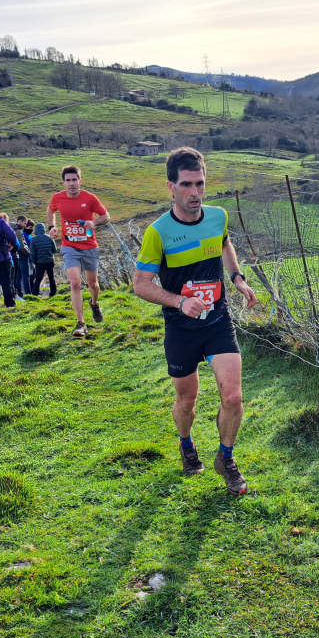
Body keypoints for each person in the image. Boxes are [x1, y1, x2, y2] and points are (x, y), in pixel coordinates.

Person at [132, 147, 258, 496]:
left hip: (217, 320)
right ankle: (186, 444)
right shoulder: (158, 232)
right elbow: (140, 285)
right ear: (170, 187)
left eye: (200, 184)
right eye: (186, 185)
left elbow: (225, 245)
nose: (195, 193)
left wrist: (238, 279)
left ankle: (226, 458)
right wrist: (179, 301)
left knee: (232, 397)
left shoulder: (218, 216)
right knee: (187, 401)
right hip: (181, 328)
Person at [49, 165, 110, 337]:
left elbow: (106, 216)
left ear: (80, 181)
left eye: (74, 180)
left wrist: (94, 223)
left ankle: (94, 303)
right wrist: (52, 227)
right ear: (63, 182)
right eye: (68, 180)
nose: (71, 183)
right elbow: (51, 210)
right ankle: (81, 323)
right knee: (75, 283)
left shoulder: (89, 198)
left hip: (90, 246)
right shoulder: (58, 198)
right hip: (69, 246)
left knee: (92, 284)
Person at [30, 222, 57, 297]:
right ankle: (53, 293)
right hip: (50, 261)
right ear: (44, 229)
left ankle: (35, 293)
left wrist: (34, 261)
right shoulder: (49, 238)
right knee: (51, 278)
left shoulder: (33, 240)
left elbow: (33, 253)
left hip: (40, 262)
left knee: (38, 278)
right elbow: (54, 250)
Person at [12, 216, 32, 297]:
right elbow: (21, 245)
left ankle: (19, 294)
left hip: (15, 255)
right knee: (25, 276)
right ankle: (28, 294)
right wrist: (28, 252)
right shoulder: (17, 231)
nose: (24, 225)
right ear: (20, 221)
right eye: (24, 223)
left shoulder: (12, 229)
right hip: (22, 255)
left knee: (18, 276)